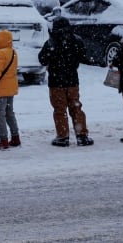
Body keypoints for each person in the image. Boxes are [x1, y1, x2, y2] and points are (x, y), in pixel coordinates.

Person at [38, 16, 92, 147]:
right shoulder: (76, 40)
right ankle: (81, 135)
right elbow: (84, 56)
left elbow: (42, 59)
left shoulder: (51, 42)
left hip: (56, 81)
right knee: (76, 107)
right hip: (72, 80)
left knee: (59, 109)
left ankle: (63, 137)